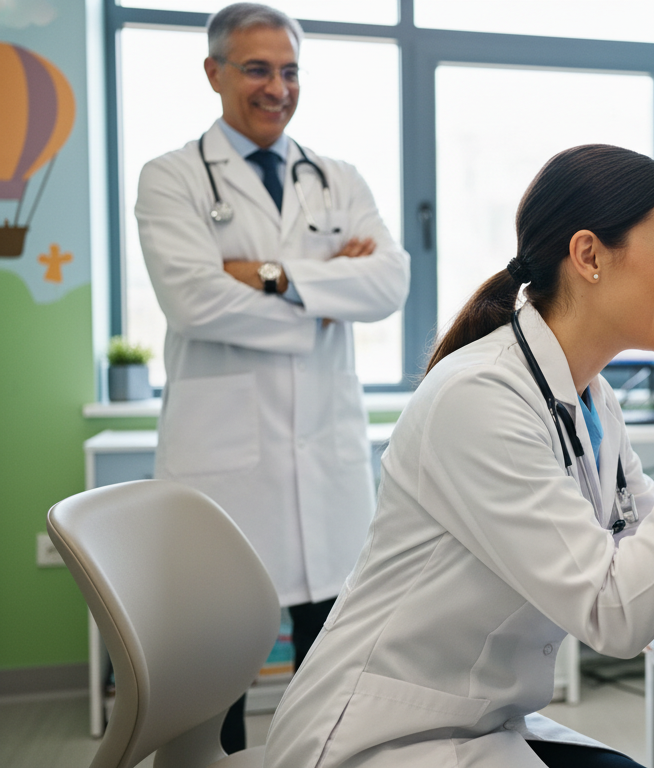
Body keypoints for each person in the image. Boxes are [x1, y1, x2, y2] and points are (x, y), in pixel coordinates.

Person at [263, 143, 654, 768]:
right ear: (589, 255)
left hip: (479, 721)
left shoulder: (588, 395)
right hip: (381, 735)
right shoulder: (479, 397)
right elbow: (613, 615)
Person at [135, 2, 410, 752]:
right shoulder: (171, 178)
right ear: (214, 72)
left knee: (333, 674)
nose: (277, 88)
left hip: (325, 467)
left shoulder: (338, 177)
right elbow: (193, 302)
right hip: (224, 472)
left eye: (290, 71)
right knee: (214, 674)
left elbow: (389, 284)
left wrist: (268, 276)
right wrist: (323, 300)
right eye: (257, 69)